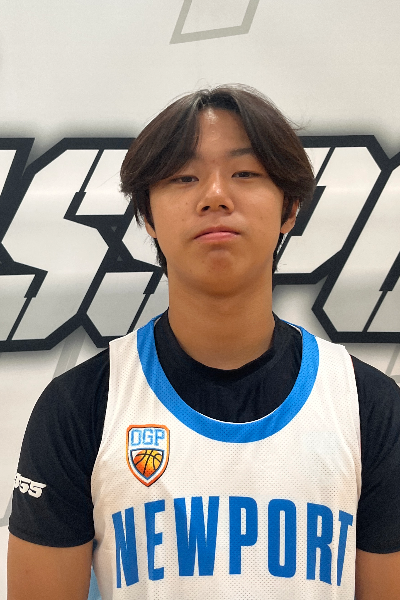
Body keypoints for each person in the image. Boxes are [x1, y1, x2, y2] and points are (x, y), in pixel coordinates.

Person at [7, 85, 400, 600]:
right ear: (147, 215)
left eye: (246, 173)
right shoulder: (81, 406)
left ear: (290, 208)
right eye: (184, 177)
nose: (215, 195)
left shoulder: (368, 406)